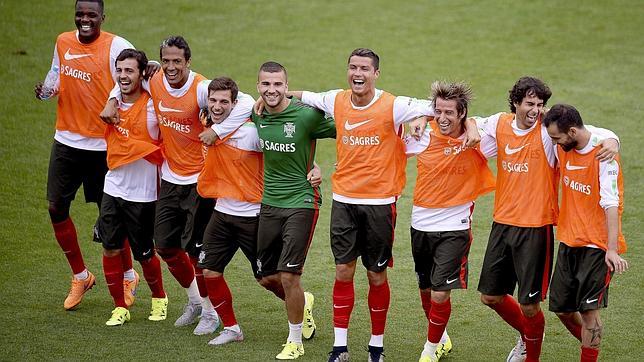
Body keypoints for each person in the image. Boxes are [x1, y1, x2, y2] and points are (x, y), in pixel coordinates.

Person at [282, 48, 480, 362]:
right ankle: (340, 347)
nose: (357, 73)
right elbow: (304, 95)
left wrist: (466, 127)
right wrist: (270, 97)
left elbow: (445, 109)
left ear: (376, 74)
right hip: (344, 201)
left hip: (380, 204)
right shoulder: (336, 99)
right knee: (343, 271)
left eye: (364, 68)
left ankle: (376, 347)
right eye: (352, 67)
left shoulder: (394, 104)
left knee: (376, 275)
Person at [100, 35, 254, 335]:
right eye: (167, 61)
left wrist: (218, 131)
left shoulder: (198, 87)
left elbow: (245, 100)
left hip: (200, 180)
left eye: (177, 62)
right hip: (170, 178)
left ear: (188, 62)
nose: (171, 67)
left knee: (197, 252)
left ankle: (210, 314)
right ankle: (195, 301)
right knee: (166, 246)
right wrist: (111, 100)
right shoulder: (154, 80)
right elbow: (124, 84)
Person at [474, 77, 620, 362]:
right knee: (490, 297)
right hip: (502, 223)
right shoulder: (500, 123)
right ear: (515, 103)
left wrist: (614, 140)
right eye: (530, 103)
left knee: (531, 305)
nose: (536, 110)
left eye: (541, 104)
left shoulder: (547, 134)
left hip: (536, 229)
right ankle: (529, 337)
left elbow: (589, 133)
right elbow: (474, 122)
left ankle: (535, 353)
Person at [34, 0, 155, 311]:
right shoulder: (63, 41)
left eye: (91, 14)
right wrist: (47, 89)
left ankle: (129, 276)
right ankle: (81, 276)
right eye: (80, 14)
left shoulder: (117, 46)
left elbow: (140, 75)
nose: (85, 19)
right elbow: (57, 74)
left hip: (104, 145)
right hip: (66, 140)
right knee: (56, 208)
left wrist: (116, 101)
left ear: (103, 16)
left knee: (114, 218)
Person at [196, 76, 322, 346]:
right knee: (209, 271)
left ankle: (302, 301)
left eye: (224, 102)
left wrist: (313, 166)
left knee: (268, 279)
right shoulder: (206, 122)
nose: (217, 107)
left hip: (255, 215)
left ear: (235, 104)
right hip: (221, 212)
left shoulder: (251, 133)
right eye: (213, 101)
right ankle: (231, 328)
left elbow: (287, 152)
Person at [405, 81, 495, 362]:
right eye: (438, 112)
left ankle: (429, 351)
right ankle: (441, 338)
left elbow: (509, 125)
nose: (443, 118)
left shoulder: (477, 139)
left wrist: (473, 126)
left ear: (462, 114)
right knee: (426, 288)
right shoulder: (421, 135)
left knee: (441, 294)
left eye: (450, 113)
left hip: (454, 228)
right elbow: (386, 145)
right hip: (420, 225)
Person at [251, 61, 335, 360]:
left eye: (277, 85)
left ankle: (295, 340)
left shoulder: (306, 115)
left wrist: (319, 168)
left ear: (287, 86)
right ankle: (304, 302)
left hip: (302, 201)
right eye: (265, 85)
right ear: (258, 87)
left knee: (289, 276)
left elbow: (348, 127)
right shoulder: (255, 112)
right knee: (265, 277)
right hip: (270, 202)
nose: (271, 90)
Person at [543, 104, 628, 362]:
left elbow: (611, 203)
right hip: (569, 240)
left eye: (557, 138)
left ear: (571, 131)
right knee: (563, 309)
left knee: (589, 312)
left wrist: (611, 249)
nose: (554, 143)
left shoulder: (603, 155)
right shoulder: (567, 144)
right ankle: (591, 348)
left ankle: (589, 355)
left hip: (596, 245)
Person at [98, 49, 168, 326]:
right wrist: (113, 96)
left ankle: (159, 297)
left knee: (145, 252)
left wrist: (153, 66)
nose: (124, 76)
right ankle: (119, 306)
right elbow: (118, 88)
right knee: (109, 248)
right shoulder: (111, 104)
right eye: (120, 70)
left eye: (130, 71)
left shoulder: (153, 106)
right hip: (113, 187)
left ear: (142, 74)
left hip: (144, 191)